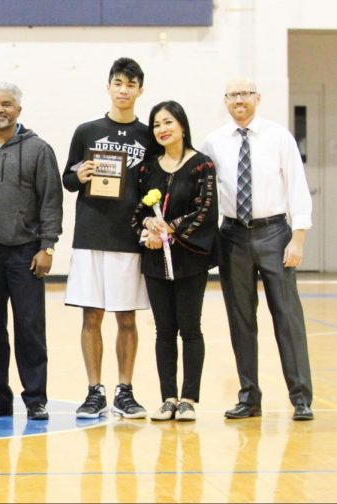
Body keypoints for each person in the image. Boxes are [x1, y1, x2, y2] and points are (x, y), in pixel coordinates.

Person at [201, 78, 314, 421]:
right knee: (241, 320)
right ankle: (249, 396)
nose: (240, 100)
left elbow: (297, 187)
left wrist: (298, 237)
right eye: (233, 95)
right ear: (225, 101)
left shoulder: (279, 137)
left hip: (275, 233)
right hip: (233, 235)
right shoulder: (213, 142)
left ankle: (301, 397)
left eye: (246, 94)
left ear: (258, 98)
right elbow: (203, 194)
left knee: (287, 317)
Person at [0, 83, 62, 421]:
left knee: (30, 327)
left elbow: (51, 201)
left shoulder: (38, 149)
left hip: (25, 253)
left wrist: (47, 246)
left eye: (6, 104)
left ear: (19, 110)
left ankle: (35, 398)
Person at [63, 57, 150, 419]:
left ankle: (125, 391)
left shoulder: (150, 136)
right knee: (92, 317)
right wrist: (79, 173)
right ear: (109, 87)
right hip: (90, 235)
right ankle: (94, 390)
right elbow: (66, 181)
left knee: (126, 318)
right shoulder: (87, 131)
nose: (124, 90)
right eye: (118, 83)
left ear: (140, 90)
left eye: (131, 84)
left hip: (129, 239)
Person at [131, 101, 218, 422]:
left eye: (168, 122)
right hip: (154, 258)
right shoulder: (146, 168)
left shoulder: (201, 165)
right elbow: (136, 210)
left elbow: (205, 210)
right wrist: (147, 227)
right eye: (156, 124)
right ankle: (167, 397)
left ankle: (189, 399)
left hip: (189, 260)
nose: (162, 129)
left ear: (182, 125)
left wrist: (170, 229)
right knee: (164, 331)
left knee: (190, 329)